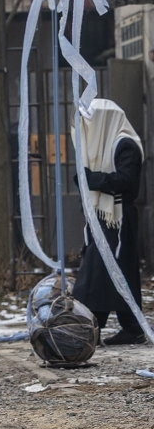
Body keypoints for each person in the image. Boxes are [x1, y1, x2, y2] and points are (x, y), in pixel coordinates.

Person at [73, 98, 146, 344]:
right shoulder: (107, 146)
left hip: (120, 217)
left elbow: (126, 181)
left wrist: (91, 179)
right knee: (100, 271)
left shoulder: (126, 145)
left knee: (113, 271)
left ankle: (99, 326)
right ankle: (96, 325)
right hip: (107, 216)